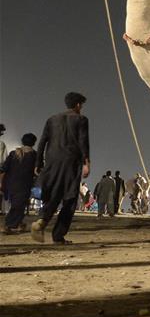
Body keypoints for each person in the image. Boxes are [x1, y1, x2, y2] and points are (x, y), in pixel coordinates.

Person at [31, 92, 90, 244]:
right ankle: (58, 236)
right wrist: (86, 163)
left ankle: (42, 221)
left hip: (52, 162)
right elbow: (83, 142)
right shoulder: (81, 119)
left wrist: (38, 163)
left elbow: (42, 141)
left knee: (53, 194)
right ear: (78, 105)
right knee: (70, 199)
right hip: (71, 163)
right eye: (81, 105)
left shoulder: (52, 119)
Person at [1, 133, 38, 234]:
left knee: (17, 205)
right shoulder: (34, 155)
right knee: (19, 205)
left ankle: (19, 224)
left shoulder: (14, 153)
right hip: (25, 184)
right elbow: (38, 171)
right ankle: (9, 226)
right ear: (34, 143)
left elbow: (3, 169)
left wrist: (2, 182)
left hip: (11, 184)